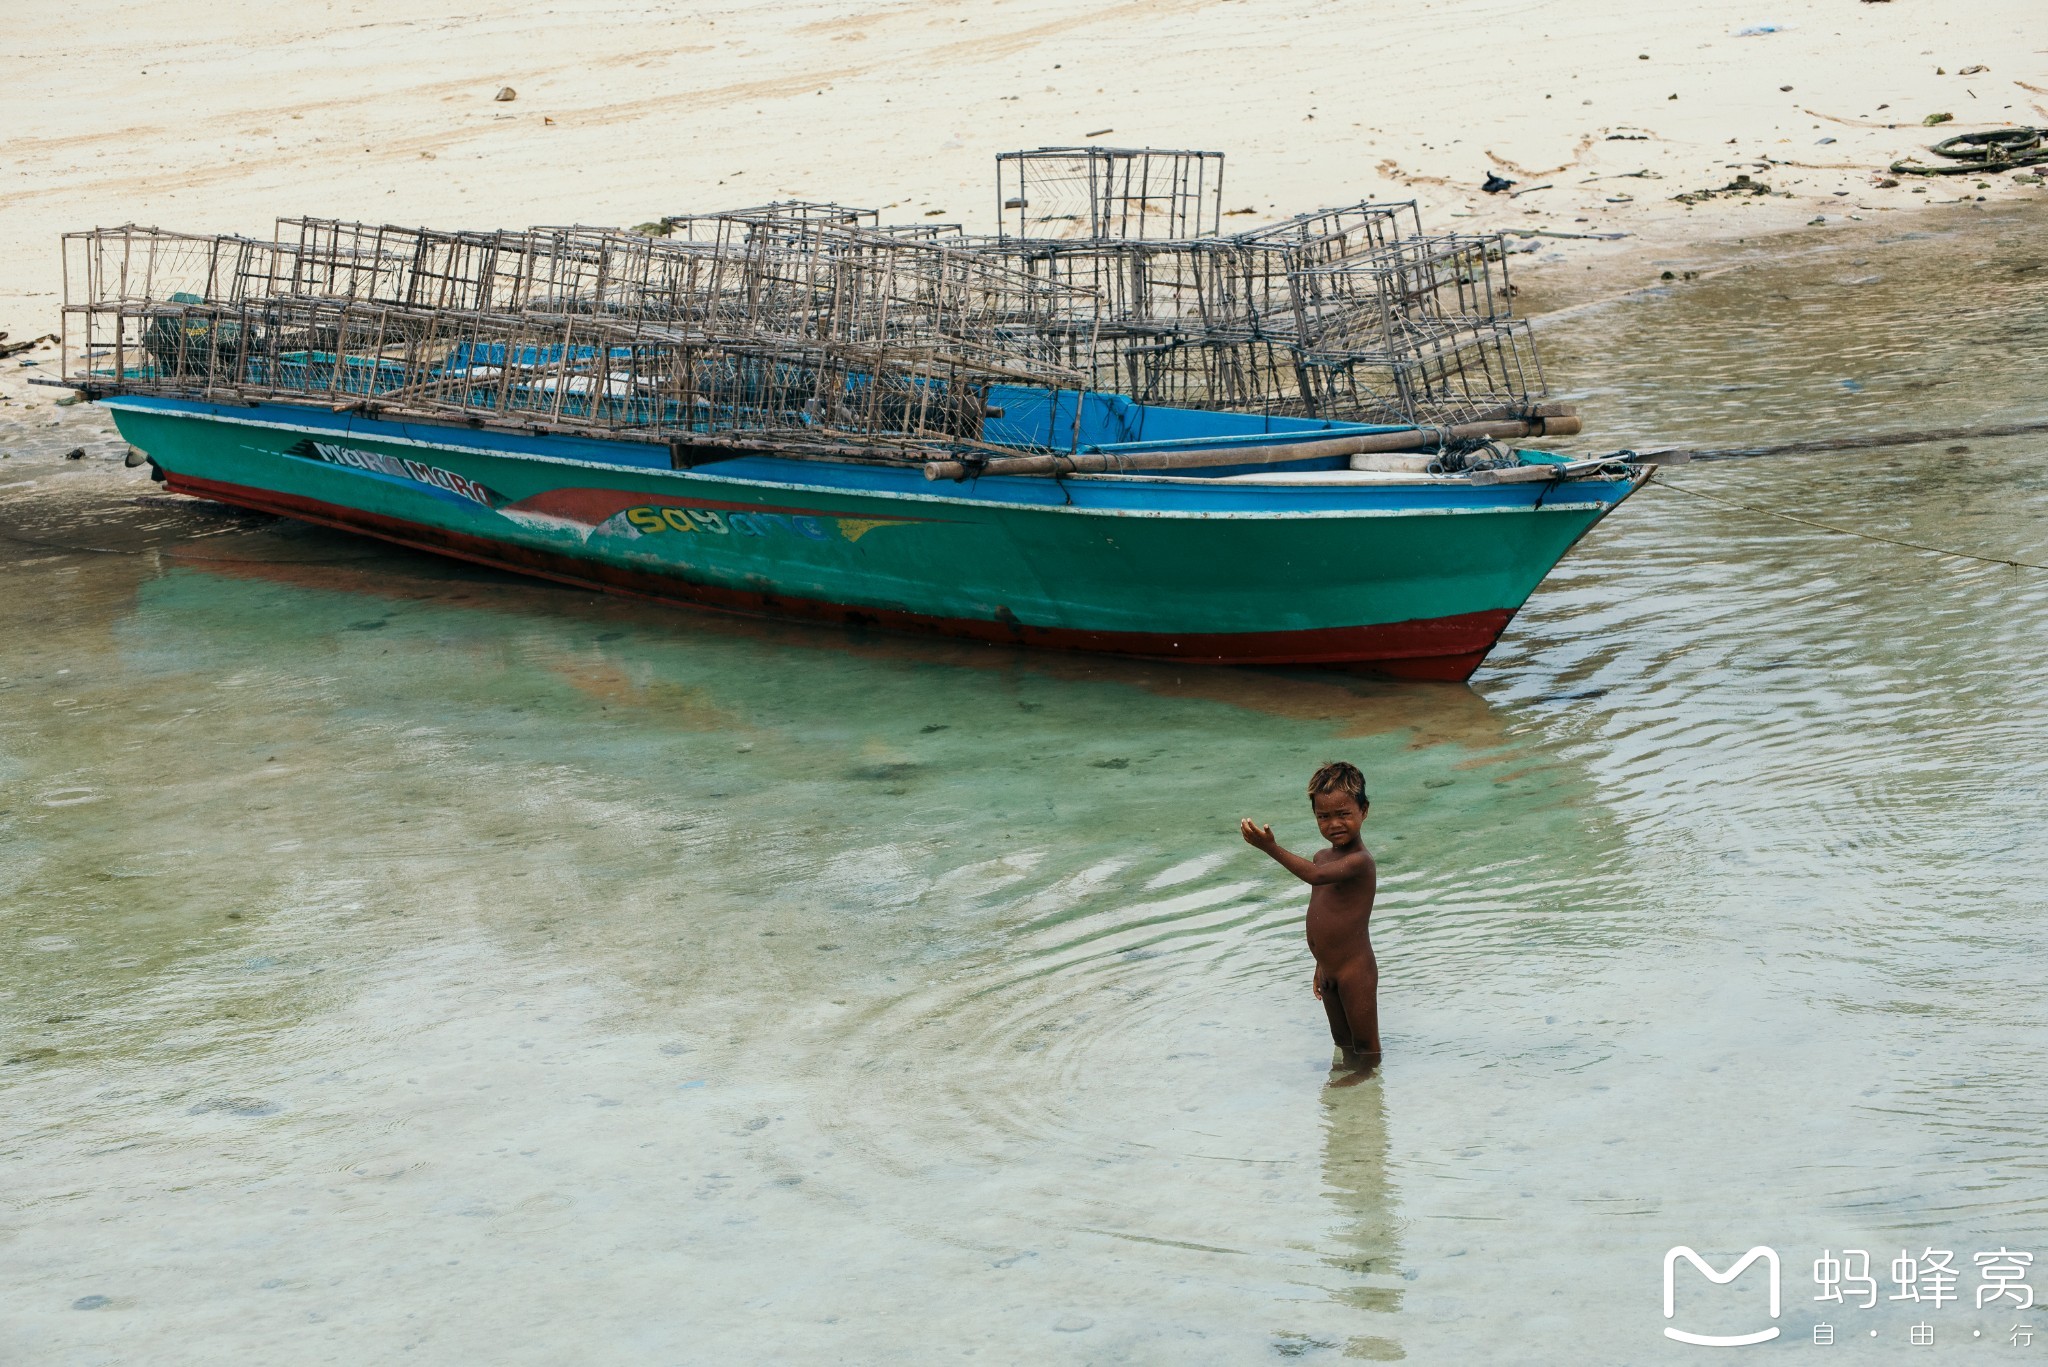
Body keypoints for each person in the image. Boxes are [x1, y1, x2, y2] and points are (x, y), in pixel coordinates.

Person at [1240, 761, 1380, 1069]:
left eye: (1344, 814)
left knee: (1366, 1046)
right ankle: (1349, 1087)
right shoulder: (1322, 857)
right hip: (1329, 968)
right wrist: (1320, 963)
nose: (1334, 824)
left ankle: (1367, 1081)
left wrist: (1270, 848)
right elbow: (1322, 910)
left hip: (1356, 970)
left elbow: (1315, 877)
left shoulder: (1361, 862)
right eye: (1324, 817)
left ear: (1364, 811)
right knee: (1342, 1043)